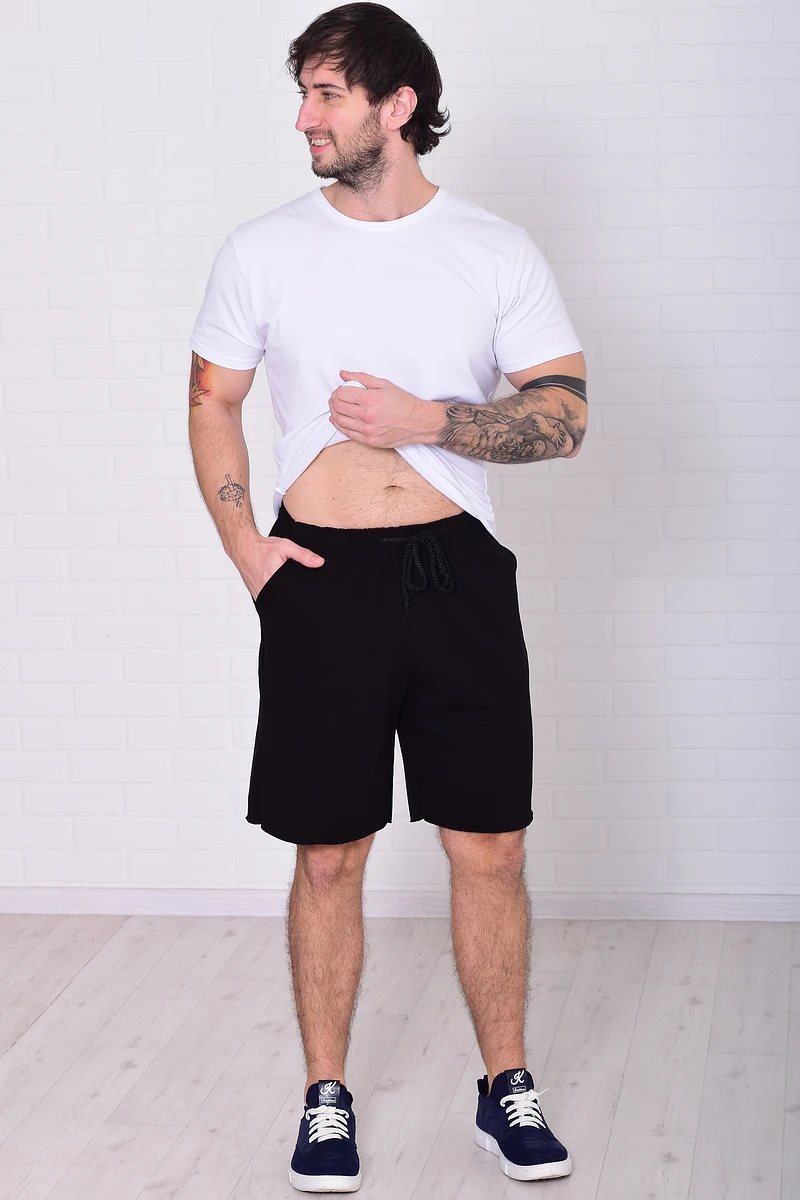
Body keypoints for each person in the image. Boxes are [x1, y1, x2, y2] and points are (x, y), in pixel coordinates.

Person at [187, 3, 587, 1190]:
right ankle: (326, 1099)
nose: (303, 118)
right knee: (327, 854)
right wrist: (247, 548)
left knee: (490, 846)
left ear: (395, 106)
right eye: (303, 93)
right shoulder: (262, 250)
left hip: (456, 572)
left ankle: (504, 1086)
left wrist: (427, 420)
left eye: (325, 94)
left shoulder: (492, 248)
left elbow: (563, 416)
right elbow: (212, 399)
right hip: (320, 579)